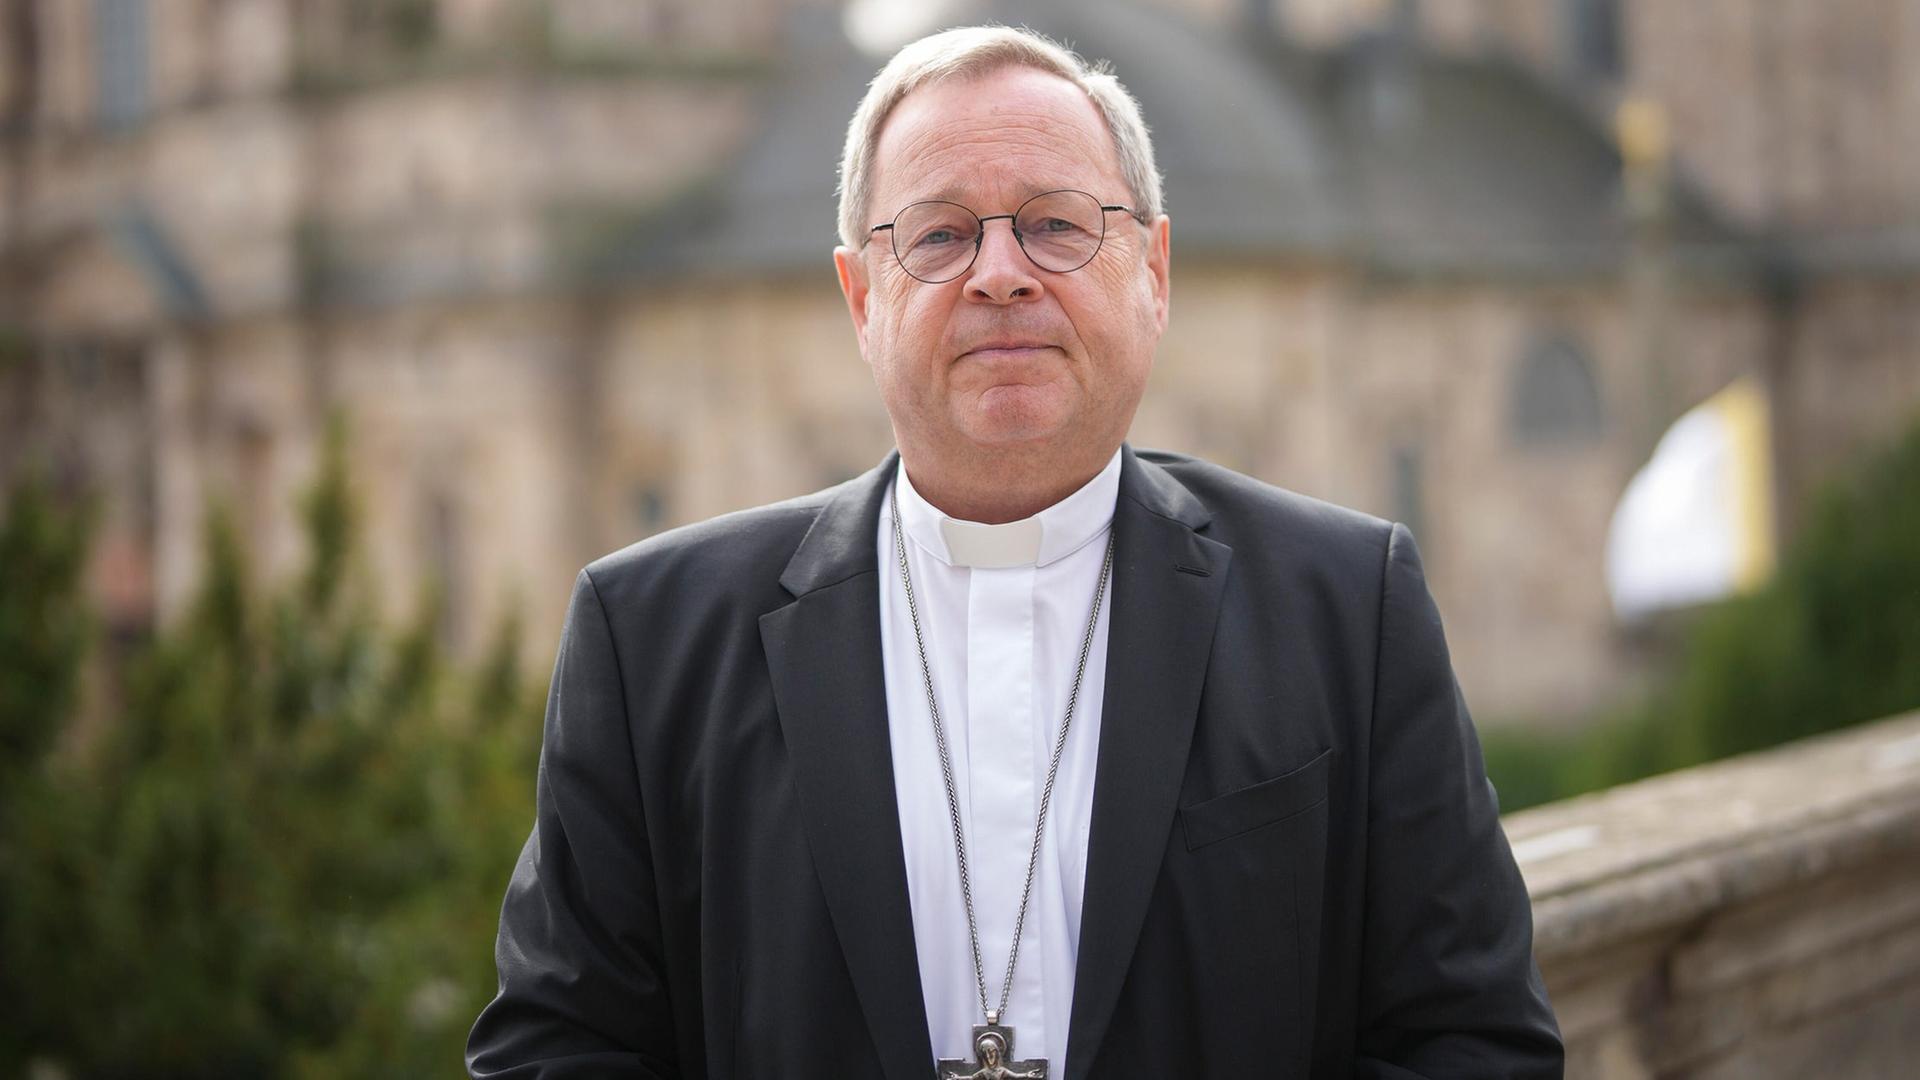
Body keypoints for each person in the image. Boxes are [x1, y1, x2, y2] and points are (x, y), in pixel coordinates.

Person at [468, 25, 1562, 1080]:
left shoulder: (1346, 610)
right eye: (940, 235)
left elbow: (1471, 1040)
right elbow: (558, 1049)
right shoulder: (651, 639)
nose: (1000, 274)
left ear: (1154, 271)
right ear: (861, 296)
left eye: (1056, 225)